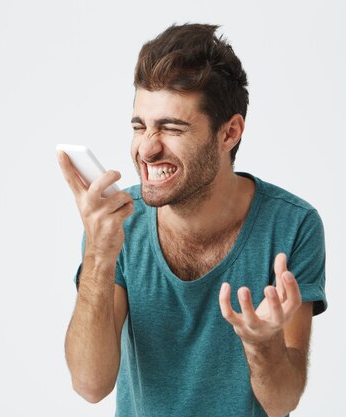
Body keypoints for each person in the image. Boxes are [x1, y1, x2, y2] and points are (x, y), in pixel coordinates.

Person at [57, 23, 327, 417]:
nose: (147, 149)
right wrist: (99, 253)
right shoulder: (116, 224)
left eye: (171, 128)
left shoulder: (293, 226)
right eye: (140, 126)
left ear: (229, 132)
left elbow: (282, 401)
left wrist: (261, 343)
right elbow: (89, 384)